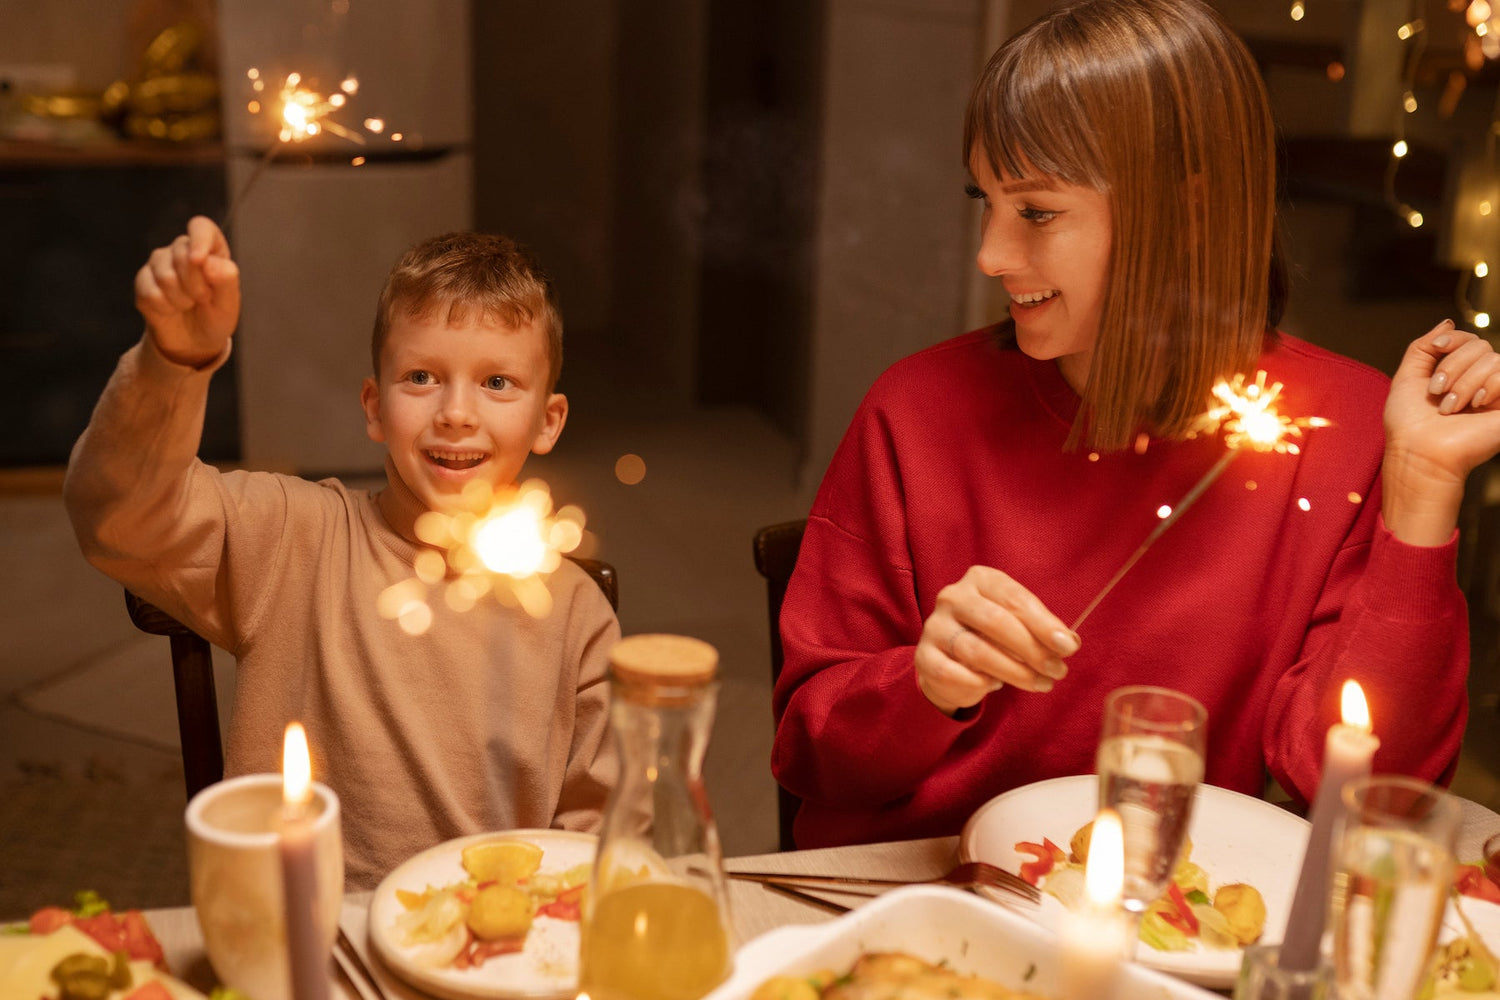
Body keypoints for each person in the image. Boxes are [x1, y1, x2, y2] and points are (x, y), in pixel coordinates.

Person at [771, 0, 1500, 849]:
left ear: (1186, 213)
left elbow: (1365, 804)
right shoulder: (916, 411)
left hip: (1166, 927)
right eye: (987, 201)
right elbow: (811, 756)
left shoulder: (1341, 433)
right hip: (932, 902)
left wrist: (1422, 494)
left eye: (1037, 212)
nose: (991, 255)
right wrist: (923, 684)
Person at [64, 216, 618, 886]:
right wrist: (173, 361)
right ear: (374, 405)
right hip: (301, 940)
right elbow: (120, 515)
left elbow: (603, 841)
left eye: (497, 383)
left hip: (495, 954)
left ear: (547, 420)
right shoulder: (294, 539)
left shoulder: (577, 616)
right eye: (421, 377)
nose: (456, 413)